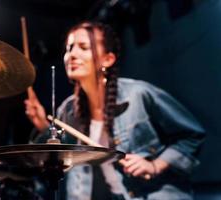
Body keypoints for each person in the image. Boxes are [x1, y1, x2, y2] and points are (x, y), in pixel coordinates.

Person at [24, 21, 205, 200]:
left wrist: (155, 165)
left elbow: (191, 135)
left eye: (83, 47)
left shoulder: (138, 94)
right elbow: (58, 160)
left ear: (108, 59)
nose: (72, 54)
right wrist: (42, 125)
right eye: (69, 48)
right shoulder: (69, 109)